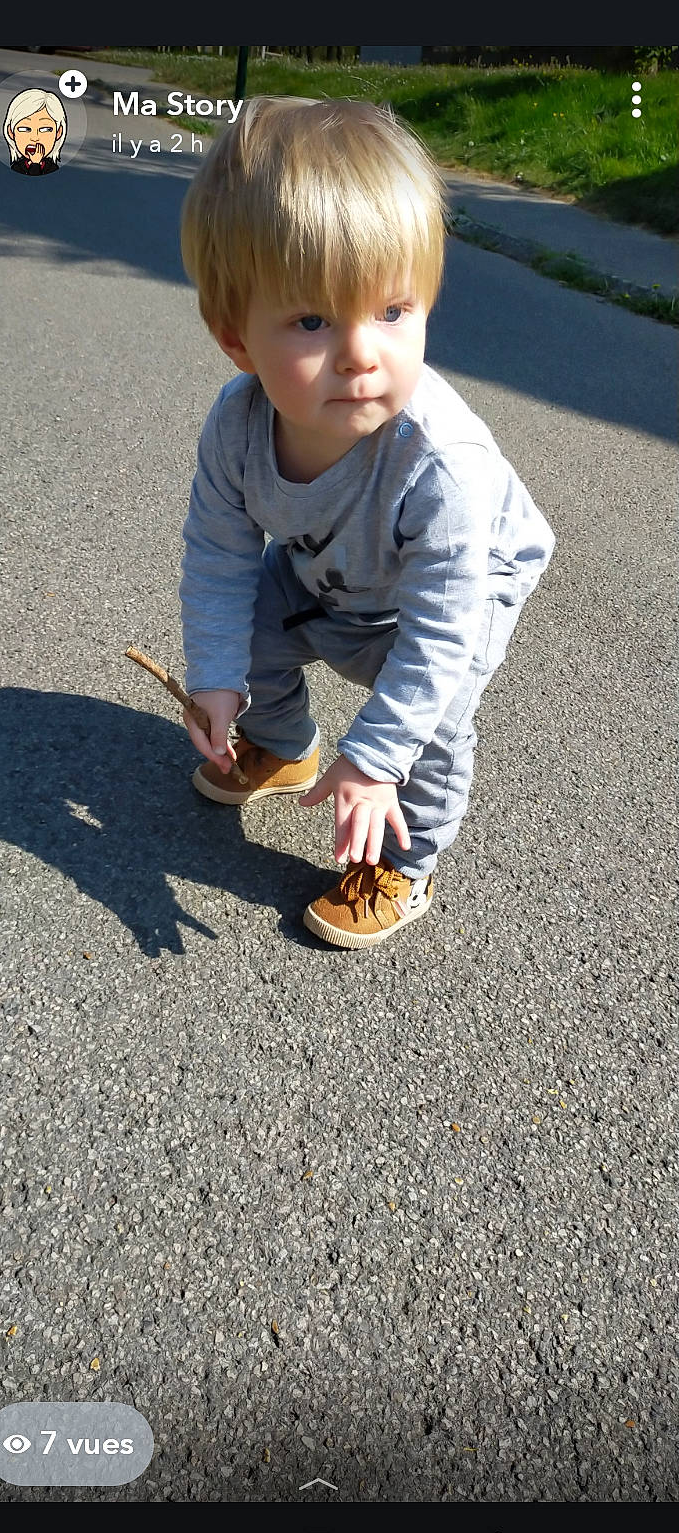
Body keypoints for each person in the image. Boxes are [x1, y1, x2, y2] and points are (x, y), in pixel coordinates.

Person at [179, 97, 555, 948]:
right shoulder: (238, 427)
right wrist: (214, 674)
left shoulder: (442, 463)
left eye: (393, 312)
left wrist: (378, 754)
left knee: (435, 711)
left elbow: (440, 632)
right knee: (256, 625)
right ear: (236, 339)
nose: (361, 352)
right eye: (312, 320)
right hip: (333, 568)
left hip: (462, 587)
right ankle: (285, 746)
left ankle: (404, 858)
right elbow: (219, 553)